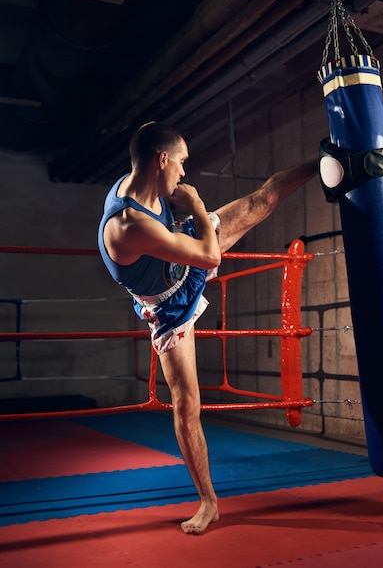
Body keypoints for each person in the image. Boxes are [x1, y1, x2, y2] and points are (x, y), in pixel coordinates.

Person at [98, 121, 318, 534]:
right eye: (180, 163)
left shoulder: (142, 180)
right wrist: (197, 204)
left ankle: (327, 157)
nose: (184, 173)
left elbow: (148, 136)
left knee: (260, 201)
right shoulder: (129, 223)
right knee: (186, 404)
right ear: (161, 161)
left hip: (180, 252)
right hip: (168, 305)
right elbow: (210, 256)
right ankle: (208, 502)